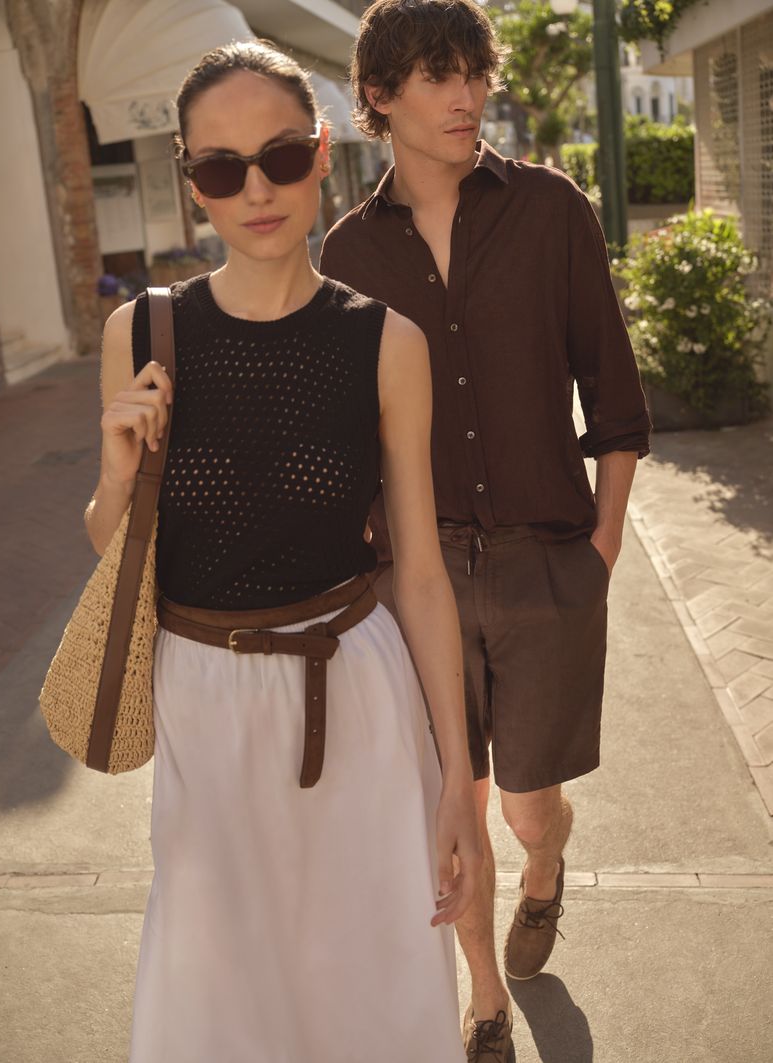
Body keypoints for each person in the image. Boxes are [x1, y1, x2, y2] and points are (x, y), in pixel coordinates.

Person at [86, 39, 480, 1063]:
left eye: (281, 156)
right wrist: (119, 472)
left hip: (355, 690)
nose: (255, 189)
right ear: (192, 183)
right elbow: (112, 550)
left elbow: (420, 573)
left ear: (322, 153)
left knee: (371, 982)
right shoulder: (141, 333)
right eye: (222, 169)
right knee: (221, 993)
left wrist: (456, 776)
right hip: (201, 699)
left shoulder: (387, 342)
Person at [320, 2, 652, 1060]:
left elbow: (613, 392)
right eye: (436, 77)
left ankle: (546, 867)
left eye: (472, 72)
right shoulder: (347, 252)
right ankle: (482, 993)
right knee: (450, 802)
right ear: (379, 96)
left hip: (544, 562)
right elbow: (346, 437)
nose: (465, 96)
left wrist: (597, 553)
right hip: (416, 574)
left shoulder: (550, 210)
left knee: (523, 806)